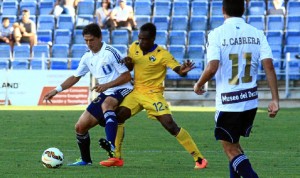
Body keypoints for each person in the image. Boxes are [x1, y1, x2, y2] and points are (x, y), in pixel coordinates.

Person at [99, 22, 208, 169]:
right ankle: (116, 157)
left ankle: (199, 158)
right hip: (136, 92)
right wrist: (128, 62)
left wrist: (184, 70)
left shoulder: (162, 54)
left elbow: (179, 71)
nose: (141, 42)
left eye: (145, 39)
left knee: (170, 126)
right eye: (140, 38)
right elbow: (131, 67)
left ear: (153, 39)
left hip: (153, 94)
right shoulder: (134, 47)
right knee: (118, 116)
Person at [193, 0, 280, 177]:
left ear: (223, 9)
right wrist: (275, 99)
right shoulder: (257, 33)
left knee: (231, 150)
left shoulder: (216, 34)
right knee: (236, 146)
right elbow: (269, 66)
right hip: (249, 102)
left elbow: (212, 67)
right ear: (243, 9)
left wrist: (199, 84)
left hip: (229, 103)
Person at [43, 23, 133, 166]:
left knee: (107, 104)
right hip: (106, 91)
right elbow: (75, 77)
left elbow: (127, 76)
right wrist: (56, 90)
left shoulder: (110, 52)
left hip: (121, 88)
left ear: (100, 37)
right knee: (80, 127)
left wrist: (107, 85)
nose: (89, 43)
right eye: (86, 40)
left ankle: (111, 146)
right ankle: (86, 160)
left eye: (91, 40)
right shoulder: (87, 57)